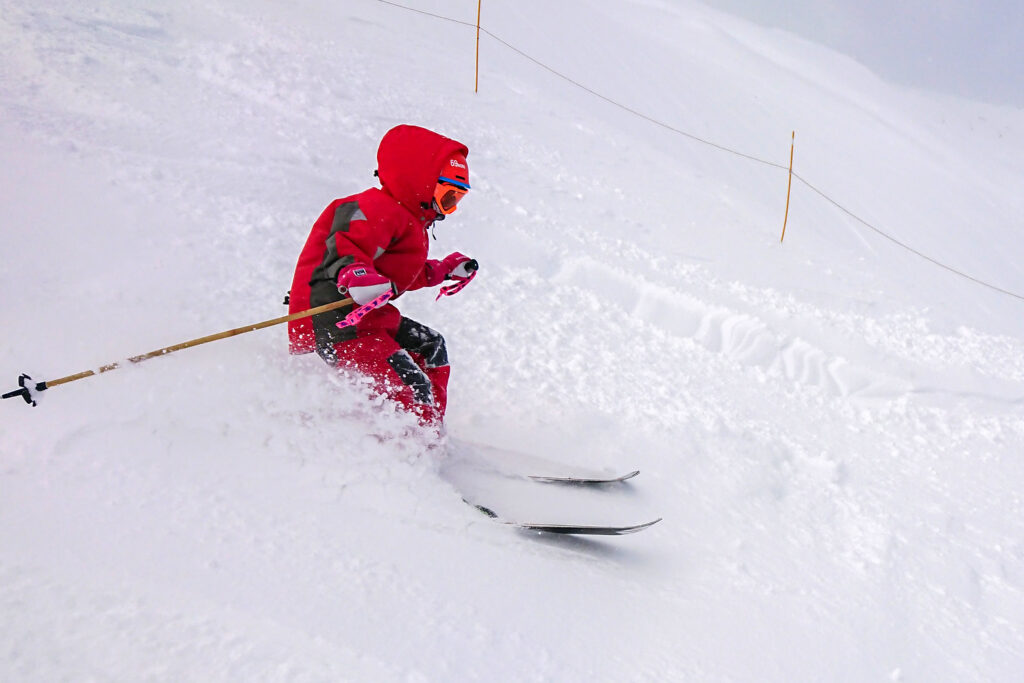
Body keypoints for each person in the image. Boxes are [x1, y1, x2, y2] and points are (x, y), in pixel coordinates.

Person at [287, 124, 476, 427]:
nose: (449, 209)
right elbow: (344, 245)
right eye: (448, 196)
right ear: (421, 180)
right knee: (412, 382)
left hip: (368, 319)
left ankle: (426, 431)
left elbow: (397, 275)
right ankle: (406, 451)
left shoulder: (410, 222)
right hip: (334, 322)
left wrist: (442, 270)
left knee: (432, 346)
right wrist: (356, 274)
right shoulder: (374, 208)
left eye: (457, 199)